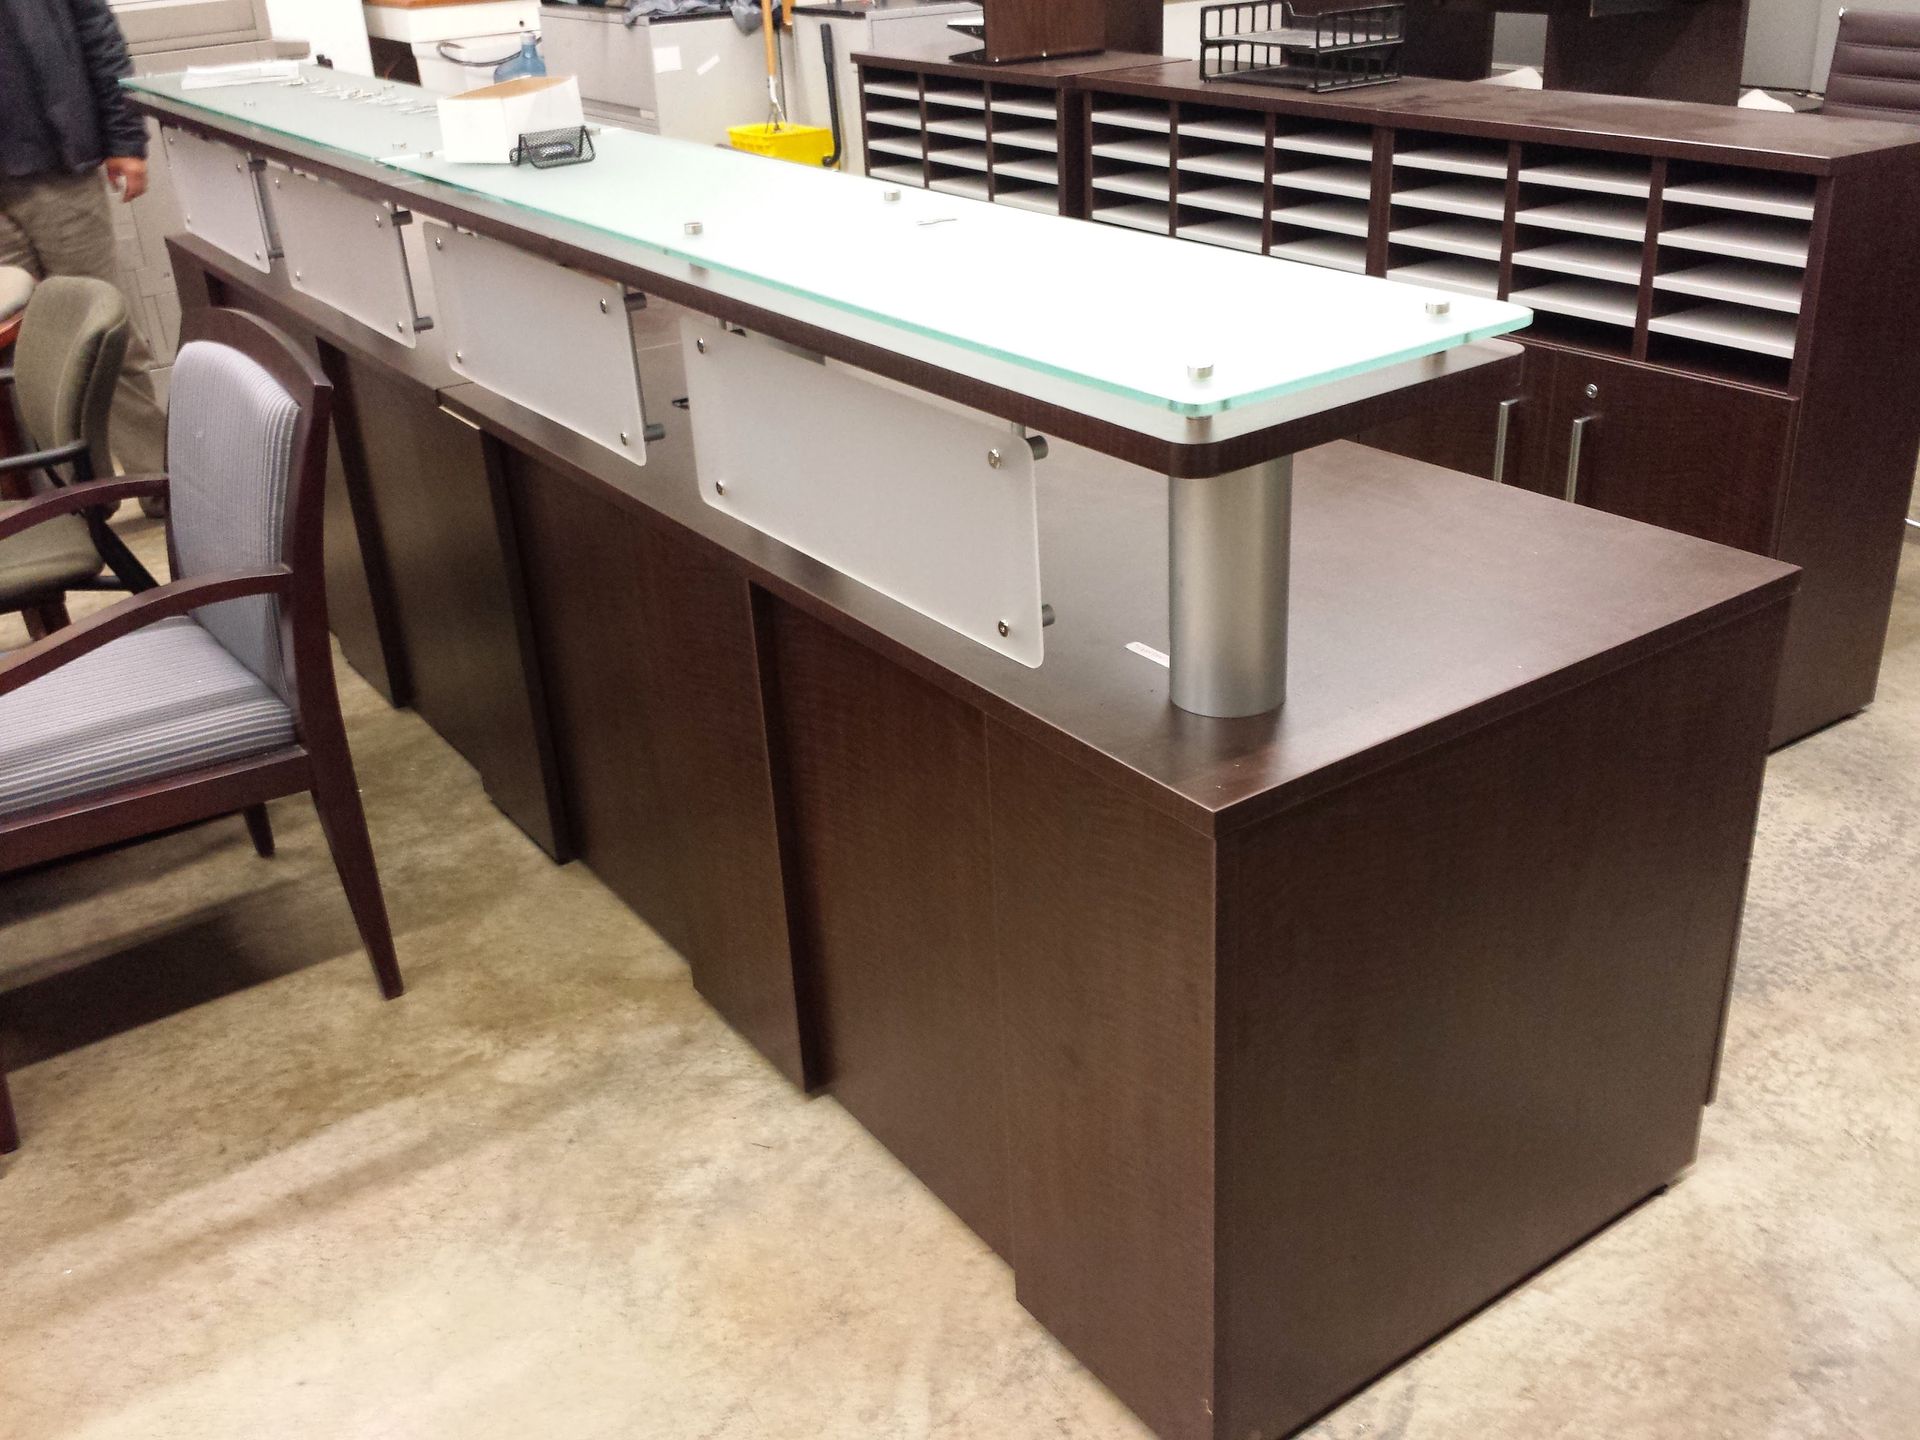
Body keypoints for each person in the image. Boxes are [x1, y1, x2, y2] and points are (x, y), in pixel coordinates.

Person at [0, 0, 167, 478]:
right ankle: (75, 494)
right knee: (17, 352)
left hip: (58, 170)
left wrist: (124, 138)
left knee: (104, 330)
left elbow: (98, 34)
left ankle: (158, 481)